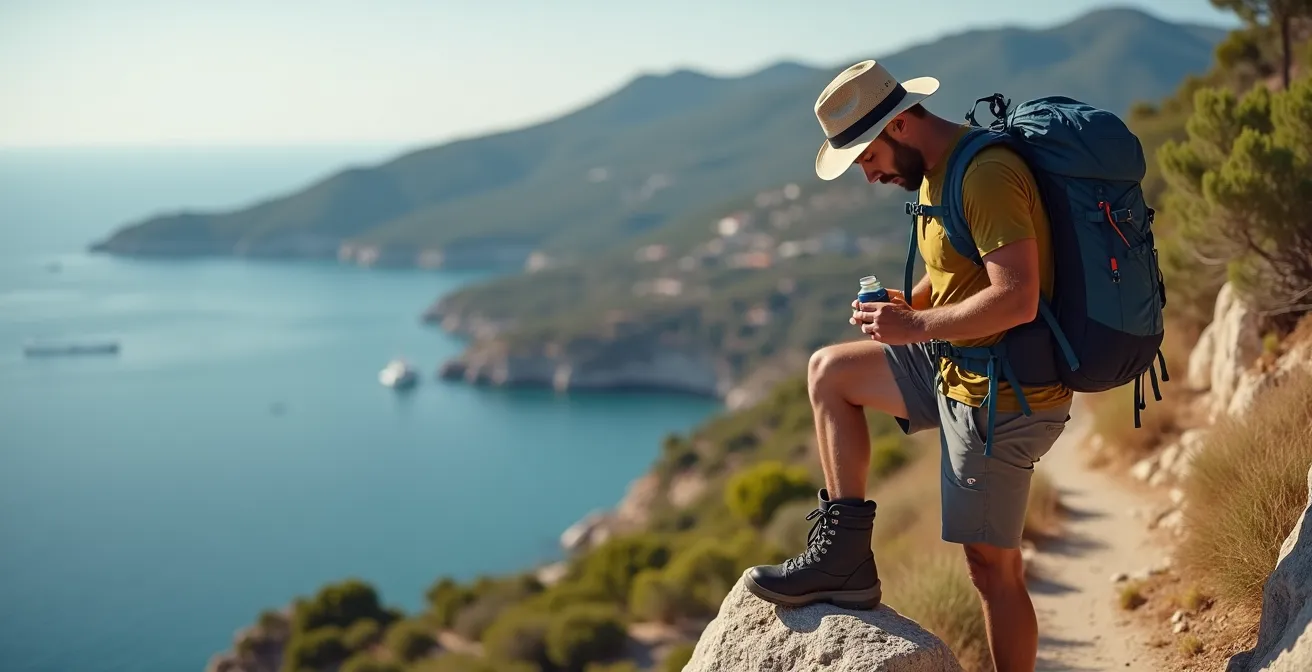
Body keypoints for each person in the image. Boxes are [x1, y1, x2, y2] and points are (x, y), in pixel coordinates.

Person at [743, 59, 1073, 672]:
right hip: (958, 364)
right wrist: (910, 304)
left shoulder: (987, 175)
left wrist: (915, 327)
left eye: (864, 157)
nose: (865, 175)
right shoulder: (932, 173)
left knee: (991, 566)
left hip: (1004, 394)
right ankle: (844, 557)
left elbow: (1017, 295)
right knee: (829, 373)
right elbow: (958, 268)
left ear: (897, 126)